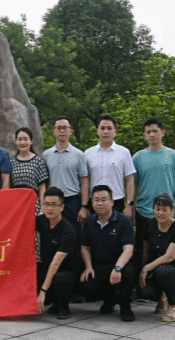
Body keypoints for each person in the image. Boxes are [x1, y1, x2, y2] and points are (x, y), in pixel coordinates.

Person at [132, 118, 175, 269]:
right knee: (142, 250)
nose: (152, 134)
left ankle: (162, 280)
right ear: (144, 135)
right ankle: (142, 277)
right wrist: (131, 206)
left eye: (155, 131)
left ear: (162, 132)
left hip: (166, 212)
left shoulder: (173, 155)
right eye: (148, 132)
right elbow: (134, 184)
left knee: (165, 252)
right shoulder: (137, 157)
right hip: (144, 211)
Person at [80, 185, 136, 322]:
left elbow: (128, 249)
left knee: (128, 273)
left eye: (104, 199)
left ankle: (125, 306)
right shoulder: (89, 222)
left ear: (111, 202)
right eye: (96, 200)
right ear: (92, 202)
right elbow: (85, 247)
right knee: (86, 285)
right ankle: (109, 299)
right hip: (100, 264)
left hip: (121, 264)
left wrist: (118, 268)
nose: (100, 203)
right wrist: (88, 267)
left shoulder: (124, 221)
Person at [139, 193, 175, 323]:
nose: (160, 213)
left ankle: (173, 306)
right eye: (157, 209)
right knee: (145, 292)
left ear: (171, 210)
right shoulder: (150, 224)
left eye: (165, 210)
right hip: (155, 267)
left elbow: (169, 257)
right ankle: (162, 299)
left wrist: (146, 268)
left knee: (163, 270)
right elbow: (146, 251)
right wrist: (142, 270)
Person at [36, 187, 81, 320]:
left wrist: (43, 291)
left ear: (62, 207)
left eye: (54, 204)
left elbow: (56, 263)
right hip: (48, 269)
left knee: (61, 279)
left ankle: (63, 306)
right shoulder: (42, 220)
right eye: (46, 204)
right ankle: (52, 300)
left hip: (68, 273)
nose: (49, 208)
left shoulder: (68, 231)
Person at [42, 117, 89, 239]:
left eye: (65, 128)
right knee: (53, 235)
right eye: (59, 128)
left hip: (72, 201)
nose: (62, 131)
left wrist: (84, 206)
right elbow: (44, 183)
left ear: (70, 131)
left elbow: (84, 182)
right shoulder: (46, 155)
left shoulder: (79, 154)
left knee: (73, 235)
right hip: (53, 202)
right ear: (53, 131)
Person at [84, 115, 136, 218]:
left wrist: (129, 204)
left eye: (109, 128)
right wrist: (84, 206)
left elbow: (130, 179)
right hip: (95, 203)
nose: (106, 132)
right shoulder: (88, 153)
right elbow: (86, 181)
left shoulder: (124, 152)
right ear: (97, 131)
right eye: (102, 128)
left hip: (117, 202)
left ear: (115, 132)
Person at [11, 127, 49, 213]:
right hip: (16, 205)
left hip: (34, 205)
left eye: (25, 139)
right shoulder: (11, 162)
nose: (22, 142)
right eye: (19, 139)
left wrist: (43, 206)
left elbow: (42, 188)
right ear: (16, 141)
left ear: (31, 141)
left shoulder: (38, 162)